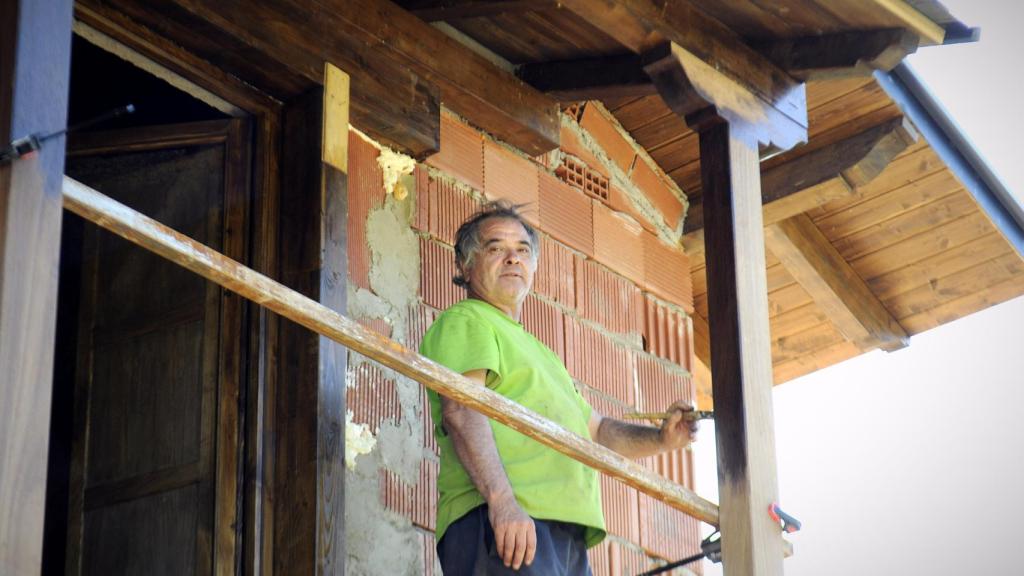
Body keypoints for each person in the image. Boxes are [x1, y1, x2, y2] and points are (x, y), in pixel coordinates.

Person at [420, 201, 698, 574]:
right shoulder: (467, 320)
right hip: (503, 518)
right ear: (466, 267)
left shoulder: (543, 355)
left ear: (533, 266)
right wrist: (502, 501)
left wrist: (663, 439)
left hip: (561, 530)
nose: (512, 258)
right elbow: (462, 411)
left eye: (522, 250)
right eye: (495, 248)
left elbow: (594, 432)